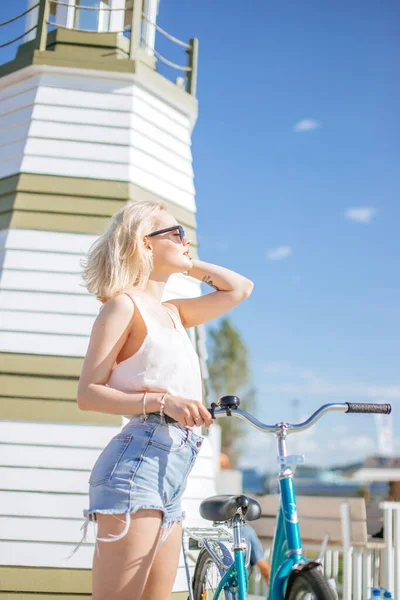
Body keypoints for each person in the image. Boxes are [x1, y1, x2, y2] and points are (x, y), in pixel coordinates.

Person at [75, 199, 254, 600]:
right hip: (137, 462)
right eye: (174, 233)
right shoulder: (123, 306)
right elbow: (88, 393)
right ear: (144, 244)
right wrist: (163, 401)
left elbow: (240, 288)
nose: (185, 239)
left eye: (184, 233)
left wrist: (185, 259)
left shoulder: (173, 313)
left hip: (172, 469)